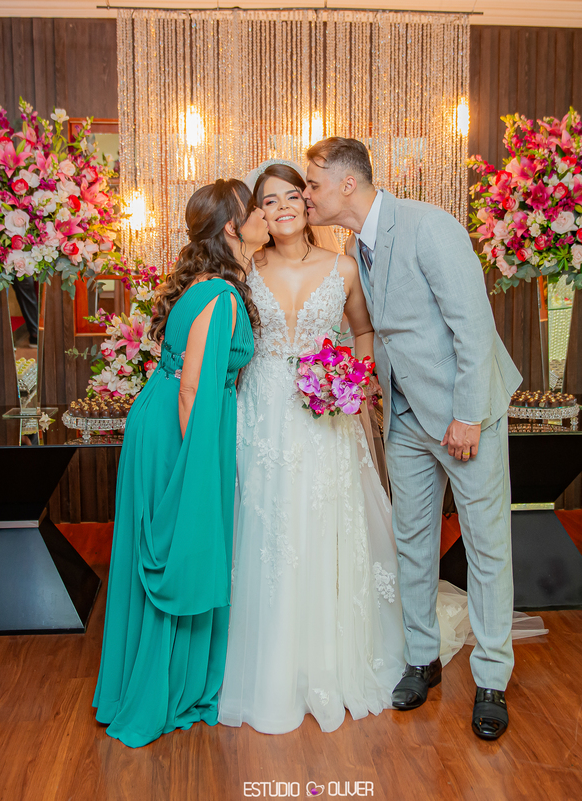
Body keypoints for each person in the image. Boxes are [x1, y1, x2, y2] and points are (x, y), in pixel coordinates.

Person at [219, 161, 475, 735]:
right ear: (257, 214)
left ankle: (335, 655)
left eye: (293, 195)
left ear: (307, 204)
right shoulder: (245, 268)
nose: (283, 207)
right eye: (269, 200)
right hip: (261, 413)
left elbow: (363, 331)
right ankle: (269, 659)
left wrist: (352, 379)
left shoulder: (342, 266)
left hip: (324, 416)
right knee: (266, 526)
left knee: (325, 523)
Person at [302, 138, 524, 741]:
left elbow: (473, 327)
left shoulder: (431, 227)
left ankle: (492, 680)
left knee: (486, 548)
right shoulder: (356, 246)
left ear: (348, 184)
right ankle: (422, 659)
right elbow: (384, 332)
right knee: (412, 544)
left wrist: (469, 416)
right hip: (405, 419)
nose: (307, 196)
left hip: (464, 416)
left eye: (314, 184)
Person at [92, 179, 267, 748]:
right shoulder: (221, 296)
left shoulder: (204, 283)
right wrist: (200, 474)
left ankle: (150, 678)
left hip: (161, 416)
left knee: (168, 549)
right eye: (256, 209)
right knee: (184, 544)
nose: (266, 217)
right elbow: (194, 389)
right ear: (232, 227)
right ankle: (164, 690)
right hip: (181, 427)